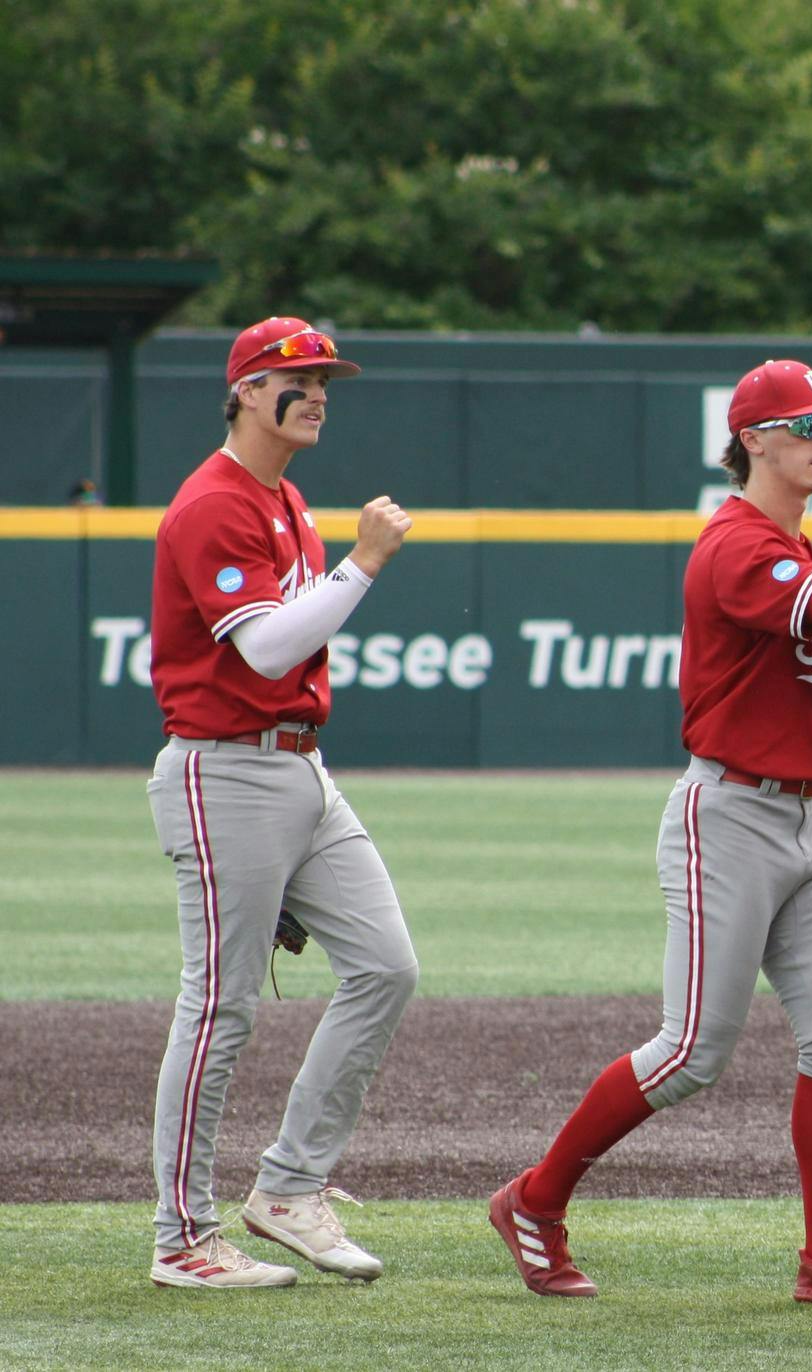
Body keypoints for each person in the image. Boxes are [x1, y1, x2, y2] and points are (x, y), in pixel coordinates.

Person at [488, 361, 812, 1305]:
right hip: (728, 816)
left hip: (810, 819)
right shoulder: (735, 544)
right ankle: (534, 1197)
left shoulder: (785, 539)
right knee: (692, 1050)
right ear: (754, 441)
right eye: (803, 422)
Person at [146, 317, 419, 1288]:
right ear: (249, 391)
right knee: (219, 1004)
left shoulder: (286, 499)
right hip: (224, 767)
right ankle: (182, 1238)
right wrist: (365, 562)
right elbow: (260, 649)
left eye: (325, 379)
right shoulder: (214, 502)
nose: (320, 393)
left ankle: (290, 1186)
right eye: (300, 379)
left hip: (300, 768)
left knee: (386, 965)